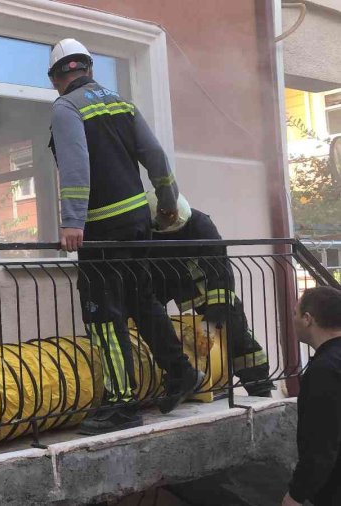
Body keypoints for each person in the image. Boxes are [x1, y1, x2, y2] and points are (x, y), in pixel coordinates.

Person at [47, 38, 202, 435]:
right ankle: (181, 372)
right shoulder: (122, 104)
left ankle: (121, 403)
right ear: (89, 69)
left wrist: (71, 222)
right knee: (141, 300)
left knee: (102, 313)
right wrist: (167, 203)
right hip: (137, 223)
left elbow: (75, 166)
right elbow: (156, 158)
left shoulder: (66, 107)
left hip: (101, 228)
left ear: (57, 76)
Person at [145, 191, 274, 397]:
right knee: (148, 322)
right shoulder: (147, 228)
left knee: (235, 326)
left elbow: (220, 271)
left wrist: (212, 320)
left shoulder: (200, 223)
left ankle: (259, 384)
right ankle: (172, 378)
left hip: (203, 284)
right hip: (162, 281)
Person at [282, 286, 341, 506]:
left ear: (308, 319)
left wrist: (296, 495)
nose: (293, 319)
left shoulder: (325, 370)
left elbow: (322, 444)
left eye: (295, 313)